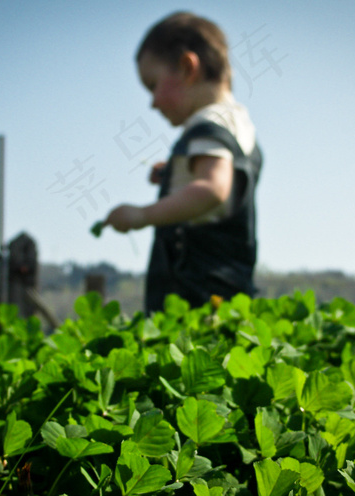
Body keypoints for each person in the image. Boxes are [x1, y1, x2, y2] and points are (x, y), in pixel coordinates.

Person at [104, 11, 263, 313]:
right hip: (228, 282)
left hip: (192, 288)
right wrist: (173, 174)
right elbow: (223, 180)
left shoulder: (206, 125)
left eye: (152, 85)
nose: (151, 102)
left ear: (187, 67)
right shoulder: (238, 123)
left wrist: (142, 215)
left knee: (184, 356)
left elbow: (214, 189)